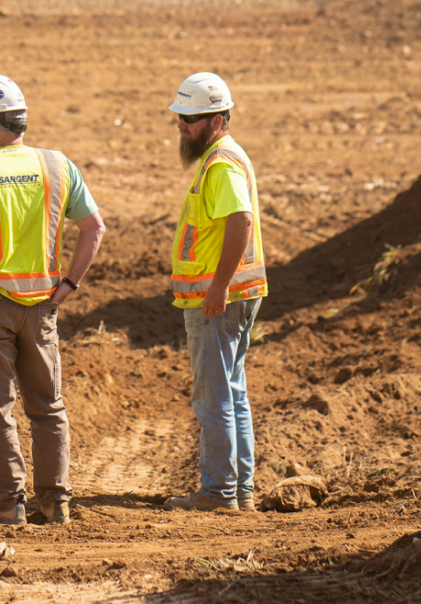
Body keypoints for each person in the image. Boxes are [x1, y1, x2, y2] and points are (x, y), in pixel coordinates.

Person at [0, 74, 105, 526]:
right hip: (44, 306)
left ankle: (9, 506)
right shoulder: (57, 165)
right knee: (48, 406)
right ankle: (57, 502)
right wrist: (69, 285)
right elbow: (94, 229)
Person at [161, 72, 268, 513]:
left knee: (213, 397)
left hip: (218, 298)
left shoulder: (221, 163)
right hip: (232, 294)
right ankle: (239, 490)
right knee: (232, 391)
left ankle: (218, 492)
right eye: (181, 117)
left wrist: (218, 286)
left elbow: (239, 221)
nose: (182, 125)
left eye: (190, 118)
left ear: (218, 120)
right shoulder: (222, 157)